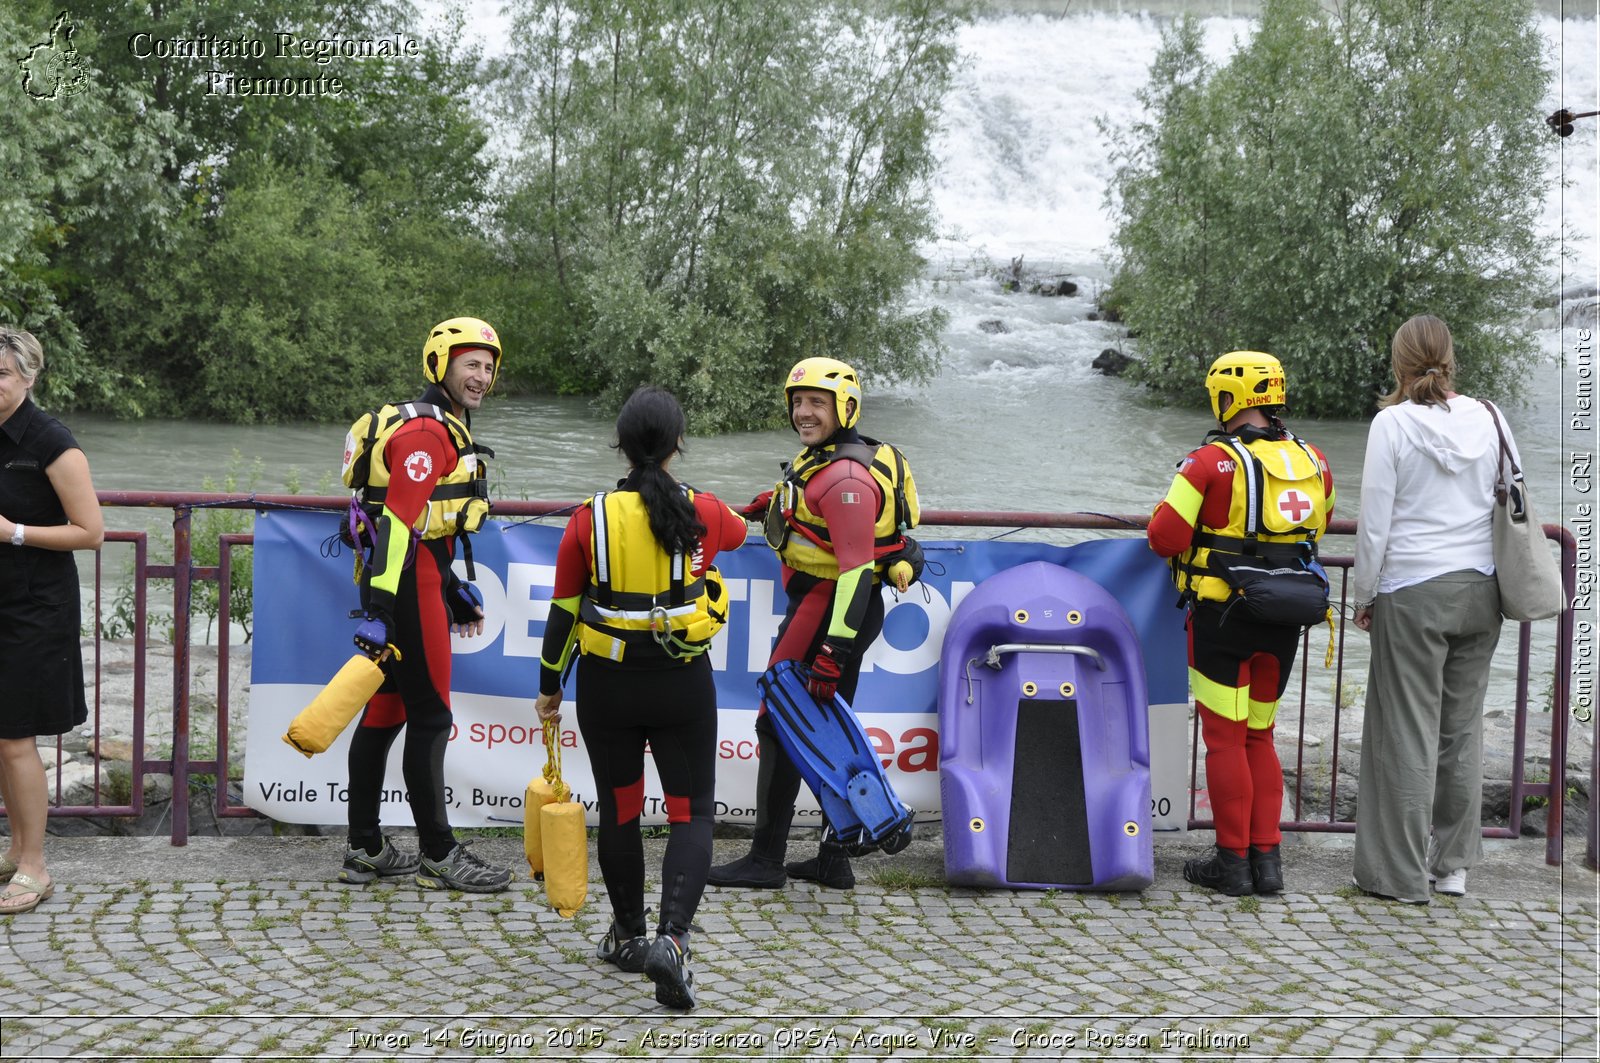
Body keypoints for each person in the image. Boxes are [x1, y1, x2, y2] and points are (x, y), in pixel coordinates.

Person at [534, 386, 746, 1010]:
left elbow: (562, 616)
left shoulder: (586, 520)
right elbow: (739, 529)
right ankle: (672, 942)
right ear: (679, 443)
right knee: (691, 814)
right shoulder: (703, 509)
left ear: (620, 446)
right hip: (682, 684)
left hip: (608, 688)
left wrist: (549, 688)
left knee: (621, 810)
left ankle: (627, 936)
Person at [708, 357, 918, 893]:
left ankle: (765, 860)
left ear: (844, 409)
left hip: (828, 611)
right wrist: (774, 505)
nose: (804, 412)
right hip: (830, 609)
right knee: (828, 734)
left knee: (778, 724)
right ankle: (833, 859)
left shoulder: (847, 478)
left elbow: (852, 574)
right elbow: (810, 502)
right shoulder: (826, 457)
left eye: (816, 404)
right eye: (798, 402)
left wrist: (832, 652)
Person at [1148, 350, 1335, 897]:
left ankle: (1231, 865)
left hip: (1221, 616)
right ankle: (1268, 863)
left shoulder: (1207, 461)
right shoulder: (1315, 459)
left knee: (1224, 741)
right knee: (1262, 736)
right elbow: (1317, 528)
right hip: (1285, 619)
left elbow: (1165, 538)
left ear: (1227, 398)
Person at [337, 316, 510, 892]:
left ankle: (365, 847)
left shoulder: (440, 425)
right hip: (403, 584)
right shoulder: (427, 434)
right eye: (470, 365)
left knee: (387, 712)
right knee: (431, 716)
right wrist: (384, 612)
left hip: (416, 577)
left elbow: (423, 525)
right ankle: (439, 853)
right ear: (441, 365)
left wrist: (451, 589)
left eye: (488, 367)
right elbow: (395, 524)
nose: (481, 376)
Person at [1350, 315, 1509, 904]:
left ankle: (1398, 876)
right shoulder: (1490, 417)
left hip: (1414, 590)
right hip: (1481, 591)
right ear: (1451, 359)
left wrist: (1364, 595)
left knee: (1405, 732)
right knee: (1460, 733)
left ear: (1398, 363)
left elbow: (1375, 525)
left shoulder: (1391, 424)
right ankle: (1455, 868)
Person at [0, 327, 104, 915]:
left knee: (16, 739)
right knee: (0, 738)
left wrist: (11, 531)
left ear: (29, 377)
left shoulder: (52, 442)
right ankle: (15, 848)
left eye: (2, 375)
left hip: (37, 608)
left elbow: (91, 533)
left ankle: (36, 867)